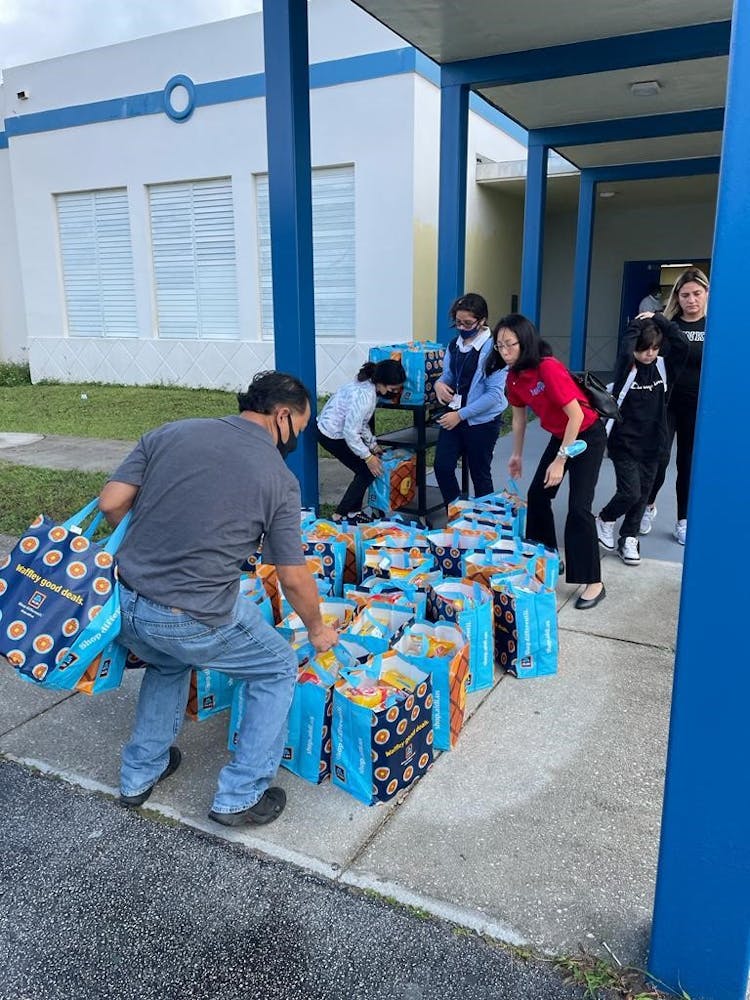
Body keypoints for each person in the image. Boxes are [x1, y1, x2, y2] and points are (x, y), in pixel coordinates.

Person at [98, 371, 339, 827]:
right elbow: (291, 575)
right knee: (276, 667)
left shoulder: (172, 432)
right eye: (301, 431)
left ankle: (138, 775)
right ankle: (241, 795)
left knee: (168, 662)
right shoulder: (278, 478)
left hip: (124, 602)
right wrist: (316, 629)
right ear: (282, 415)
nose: (295, 443)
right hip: (190, 613)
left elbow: (111, 503)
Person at [488, 313, 607, 610]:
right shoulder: (514, 377)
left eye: (509, 345)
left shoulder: (548, 368)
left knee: (579, 507)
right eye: (499, 346)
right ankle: (547, 560)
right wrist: (516, 454)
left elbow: (577, 416)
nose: (504, 352)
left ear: (524, 341)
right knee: (537, 496)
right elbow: (518, 419)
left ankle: (594, 581)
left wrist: (560, 460)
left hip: (587, 435)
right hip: (562, 435)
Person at [595, 315, 688, 565]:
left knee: (644, 494)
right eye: (643, 348)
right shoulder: (627, 367)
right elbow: (627, 348)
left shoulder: (663, 367)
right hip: (624, 442)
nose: (649, 354)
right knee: (630, 492)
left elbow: (682, 345)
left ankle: (629, 538)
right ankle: (605, 518)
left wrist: (659, 319)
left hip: (653, 443)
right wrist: (637, 323)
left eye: (654, 348)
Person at [639, 266, 709, 545]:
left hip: (698, 407)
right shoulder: (666, 325)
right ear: (677, 297)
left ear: (706, 294)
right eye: (685, 295)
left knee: (688, 464)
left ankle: (683, 520)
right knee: (659, 460)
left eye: (696, 294)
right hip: (667, 404)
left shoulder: (715, 325)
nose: (691, 300)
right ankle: (648, 507)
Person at [433, 292, 508, 506]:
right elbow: (449, 374)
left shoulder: (494, 351)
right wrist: (439, 384)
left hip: (481, 421)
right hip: (454, 416)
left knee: (480, 474)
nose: (463, 328)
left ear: (482, 320)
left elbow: (494, 395)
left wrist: (461, 414)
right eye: (458, 323)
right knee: (442, 467)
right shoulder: (454, 345)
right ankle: (459, 512)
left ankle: (488, 523)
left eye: (468, 323)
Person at [316, 359, 407, 524]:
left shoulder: (368, 386)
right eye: (392, 389)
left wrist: (373, 445)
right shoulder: (365, 396)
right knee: (366, 471)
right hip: (331, 434)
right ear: (381, 383)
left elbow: (361, 423)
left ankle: (353, 512)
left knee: (363, 470)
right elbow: (351, 432)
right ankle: (339, 516)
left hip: (335, 429)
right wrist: (368, 457)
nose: (394, 393)